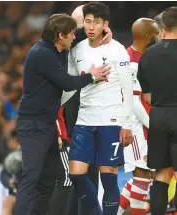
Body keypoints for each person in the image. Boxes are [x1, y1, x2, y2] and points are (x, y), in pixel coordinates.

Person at [14, 13, 111, 215]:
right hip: (33, 125)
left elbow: (77, 34)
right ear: (60, 35)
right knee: (31, 177)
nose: (74, 38)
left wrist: (103, 30)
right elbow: (67, 83)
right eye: (72, 34)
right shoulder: (42, 54)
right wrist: (92, 76)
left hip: (47, 125)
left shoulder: (56, 48)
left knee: (48, 178)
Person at [62, 2, 133, 215]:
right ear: (83, 23)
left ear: (106, 24)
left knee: (108, 176)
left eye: (97, 22)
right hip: (84, 120)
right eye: (88, 21)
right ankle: (96, 212)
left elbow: (127, 88)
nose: (91, 27)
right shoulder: (77, 50)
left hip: (110, 120)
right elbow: (70, 86)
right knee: (76, 175)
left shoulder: (117, 49)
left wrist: (127, 124)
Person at [137, 7, 177, 215]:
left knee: (161, 174)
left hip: (158, 117)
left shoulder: (148, 55)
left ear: (163, 27)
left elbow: (147, 97)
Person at [117, 18, 159, 215]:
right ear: (148, 36)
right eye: (156, 33)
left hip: (144, 125)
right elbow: (134, 103)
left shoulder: (143, 57)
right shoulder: (130, 61)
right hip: (136, 126)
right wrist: (153, 125)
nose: (159, 37)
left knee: (143, 177)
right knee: (142, 176)